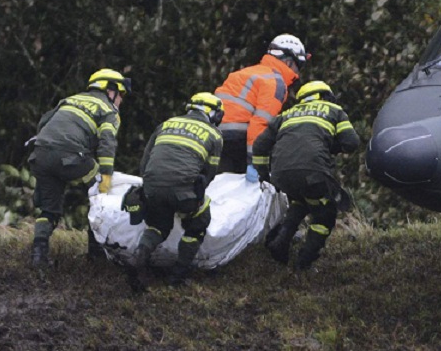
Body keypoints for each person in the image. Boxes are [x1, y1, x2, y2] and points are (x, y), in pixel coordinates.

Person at [252, 80, 359, 270]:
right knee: (324, 214)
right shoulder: (334, 110)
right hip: (313, 172)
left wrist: (264, 176)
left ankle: (281, 242)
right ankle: (304, 263)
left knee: (300, 201)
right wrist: (330, 145)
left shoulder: (285, 115)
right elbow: (351, 142)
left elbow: (260, 145)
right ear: (324, 96)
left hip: (281, 175)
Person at [28, 68, 130, 266]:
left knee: (49, 210)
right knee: (99, 197)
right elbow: (107, 142)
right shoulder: (109, 111)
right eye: (122, 94)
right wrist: (106, 176)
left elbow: (44, 123)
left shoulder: (69, 99)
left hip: (40, 153)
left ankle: (38, 256)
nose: (121, 100)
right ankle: (96, 254)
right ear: (110, 90)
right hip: (70, 156)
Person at [131, 92, 225, 287]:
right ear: (213, 113)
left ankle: (140, 256)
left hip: (152, 188)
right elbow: (209, 173)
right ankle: (178, 276)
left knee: (158, 225)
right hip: (183, 192)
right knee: (198, 222)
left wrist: (151, 186)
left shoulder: (166, 124)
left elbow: (145, 162)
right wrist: (194, 197)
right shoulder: (215, 135)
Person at [214, 34, 309, 179]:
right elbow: (261, 123)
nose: (297, 72)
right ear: (289, 62)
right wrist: (255, 161)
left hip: (216, 137)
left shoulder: (245, 72)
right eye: (298, 66)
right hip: (240, 138)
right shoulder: (275, 82)